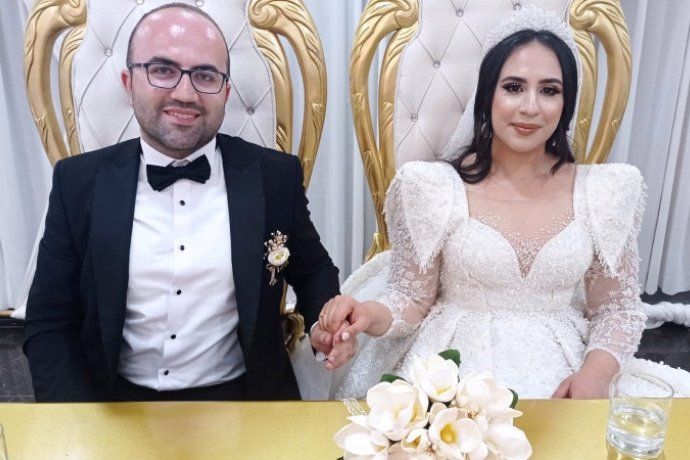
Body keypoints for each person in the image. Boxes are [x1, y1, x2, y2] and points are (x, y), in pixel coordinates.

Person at [319, 7, 690, 399]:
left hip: (565, 367)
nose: (530, 107)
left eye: (549, 90)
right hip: (451, 367)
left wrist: (595, 375)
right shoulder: (433, 189)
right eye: (513, 87)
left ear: (566, 102)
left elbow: (615, 310)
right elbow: (411, 300)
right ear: (487, 95)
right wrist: (367, 314)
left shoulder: (603, 193)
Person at [23, 3, 340, 402]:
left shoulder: (274, 176)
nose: (185, 94)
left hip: (247, 398)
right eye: (163, 70)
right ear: (129, 82)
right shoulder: (78, 182)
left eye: (205, 75)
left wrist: (325, 324)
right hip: (113, 402)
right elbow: (50, 320)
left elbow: (313, 269)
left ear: (225, 92)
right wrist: (78, 421)